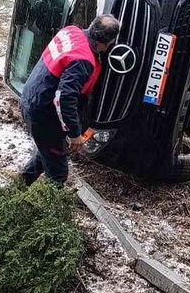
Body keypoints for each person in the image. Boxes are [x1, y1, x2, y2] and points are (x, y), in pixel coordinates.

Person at [20, 14, 120, 186]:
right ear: (106, 43)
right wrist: (74, 134)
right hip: (43, 113)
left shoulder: (71, 31)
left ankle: (17, 188)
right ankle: (47, 209)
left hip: (31, 98)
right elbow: (64, 98)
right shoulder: (83, 61)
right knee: (58, 173)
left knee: (48, 151)